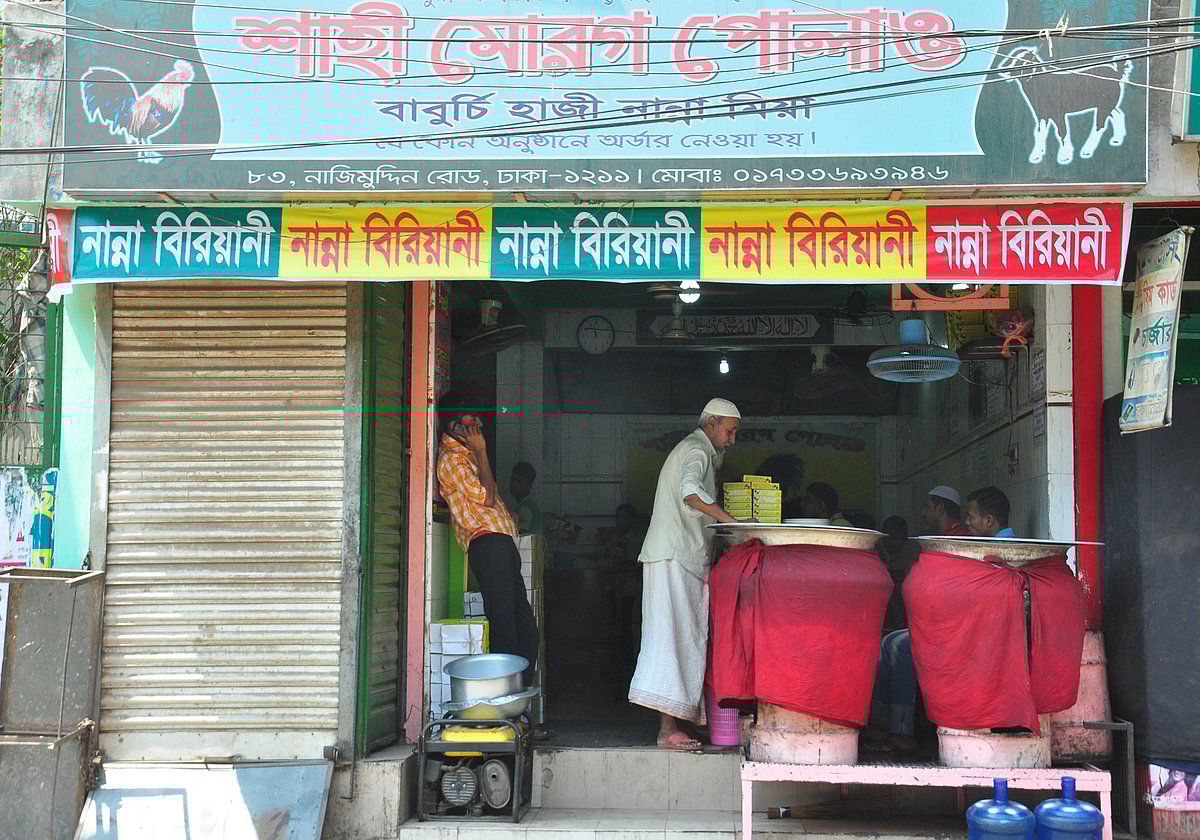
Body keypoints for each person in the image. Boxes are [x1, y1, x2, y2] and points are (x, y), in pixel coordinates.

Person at [629, 398, 741, 749]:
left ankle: (675, 724)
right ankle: (666, 730)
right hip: (673, 558)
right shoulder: (696, 450)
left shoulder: (700, 451)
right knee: (671, 640)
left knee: (680, 638)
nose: (732, 439)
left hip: (678, 558)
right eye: (729, 430)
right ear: (710, 424)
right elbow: (690, 494)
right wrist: (732, 523)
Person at [436, 396, 542, 700]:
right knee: (506, 627)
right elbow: (489, 497)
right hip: (487, 543)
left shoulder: (466, 456)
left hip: (501, 544)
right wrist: (482, 451)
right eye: (473, 424)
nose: (479, 429)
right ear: (457, 427)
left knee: (526, 632)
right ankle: (503, 707)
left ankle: (517, 706)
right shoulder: (452, 460)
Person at [866, 484, 966, 753]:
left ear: (940, 508)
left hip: (956, 629)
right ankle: (880, 728)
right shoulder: (940, 538)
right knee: (886, 642)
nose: (922, 512)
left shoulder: (958, 539)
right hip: (936, 624)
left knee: (899, 646)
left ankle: (901, 732)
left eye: (926, 506)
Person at [509, 461, 543, 535]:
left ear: (529, 486)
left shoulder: (524, 509)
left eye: (519, 481)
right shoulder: (530, 505)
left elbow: (522, 538)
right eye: (513, 479)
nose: (514, 484)